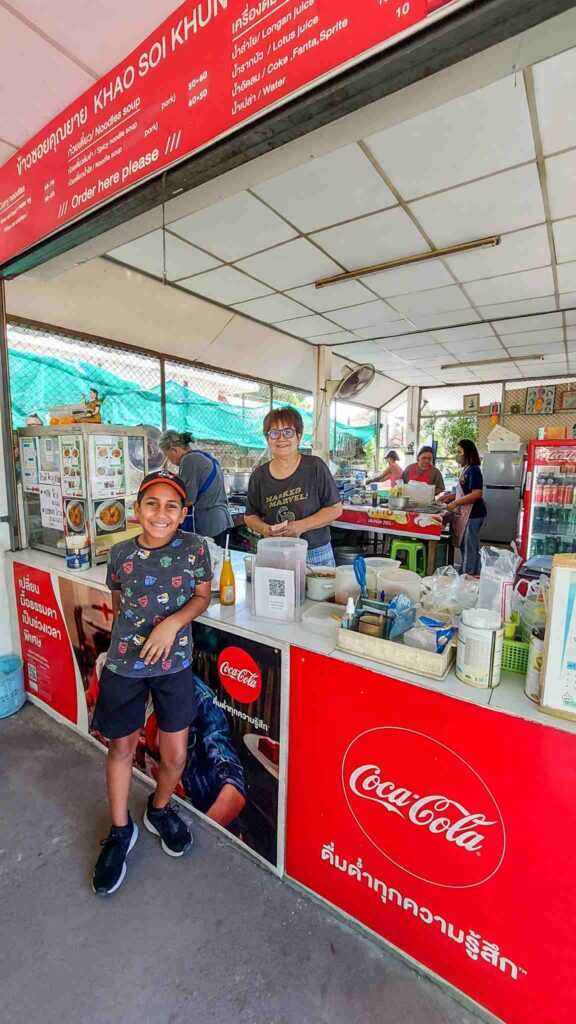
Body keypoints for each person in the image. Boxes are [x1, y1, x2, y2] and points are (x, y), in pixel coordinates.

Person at [91, 470, 212, 897]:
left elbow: (202, 596)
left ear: (183, 514)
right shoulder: (120, 553)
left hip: (174, 663)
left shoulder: (196, 549)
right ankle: (120, 830)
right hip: (125, 665)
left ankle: (159, 809)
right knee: (121, 747)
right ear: (138, 510)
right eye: (152, 504)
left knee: (175, 755)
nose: (161, 513)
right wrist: (137, 633)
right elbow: (120, 601)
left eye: (171, 505)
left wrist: (171, 626)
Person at [244, 407, 343, 567]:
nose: (281, 438)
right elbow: (249, 516)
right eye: (274, 433)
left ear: (299, 436)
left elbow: (335, 509)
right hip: (274, 552)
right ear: (268, 439)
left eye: (288, 432)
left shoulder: (315, 467)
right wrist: (266, 530)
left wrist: (299, 527)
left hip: (315, 553)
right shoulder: (259, 476)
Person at [158, 430, 233, 546]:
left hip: (209, 524)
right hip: (221, 520)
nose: (171, 462)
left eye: (169, 456)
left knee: (208, 561)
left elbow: (188, 499)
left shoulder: (189, 460)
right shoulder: (203, 456)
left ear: (174, 450)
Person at [441, 439, 487, 576]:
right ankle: (473, 572)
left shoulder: (474, 470)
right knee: (469, 546)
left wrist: (455, 503)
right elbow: (465, 491)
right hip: (467, 514)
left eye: (459, 452)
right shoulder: (466, 469)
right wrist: (451, 496)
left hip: (473, 514)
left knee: (469, 547)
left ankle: (467, 576)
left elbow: (477, 493)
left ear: (468, 453)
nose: (457, 455)